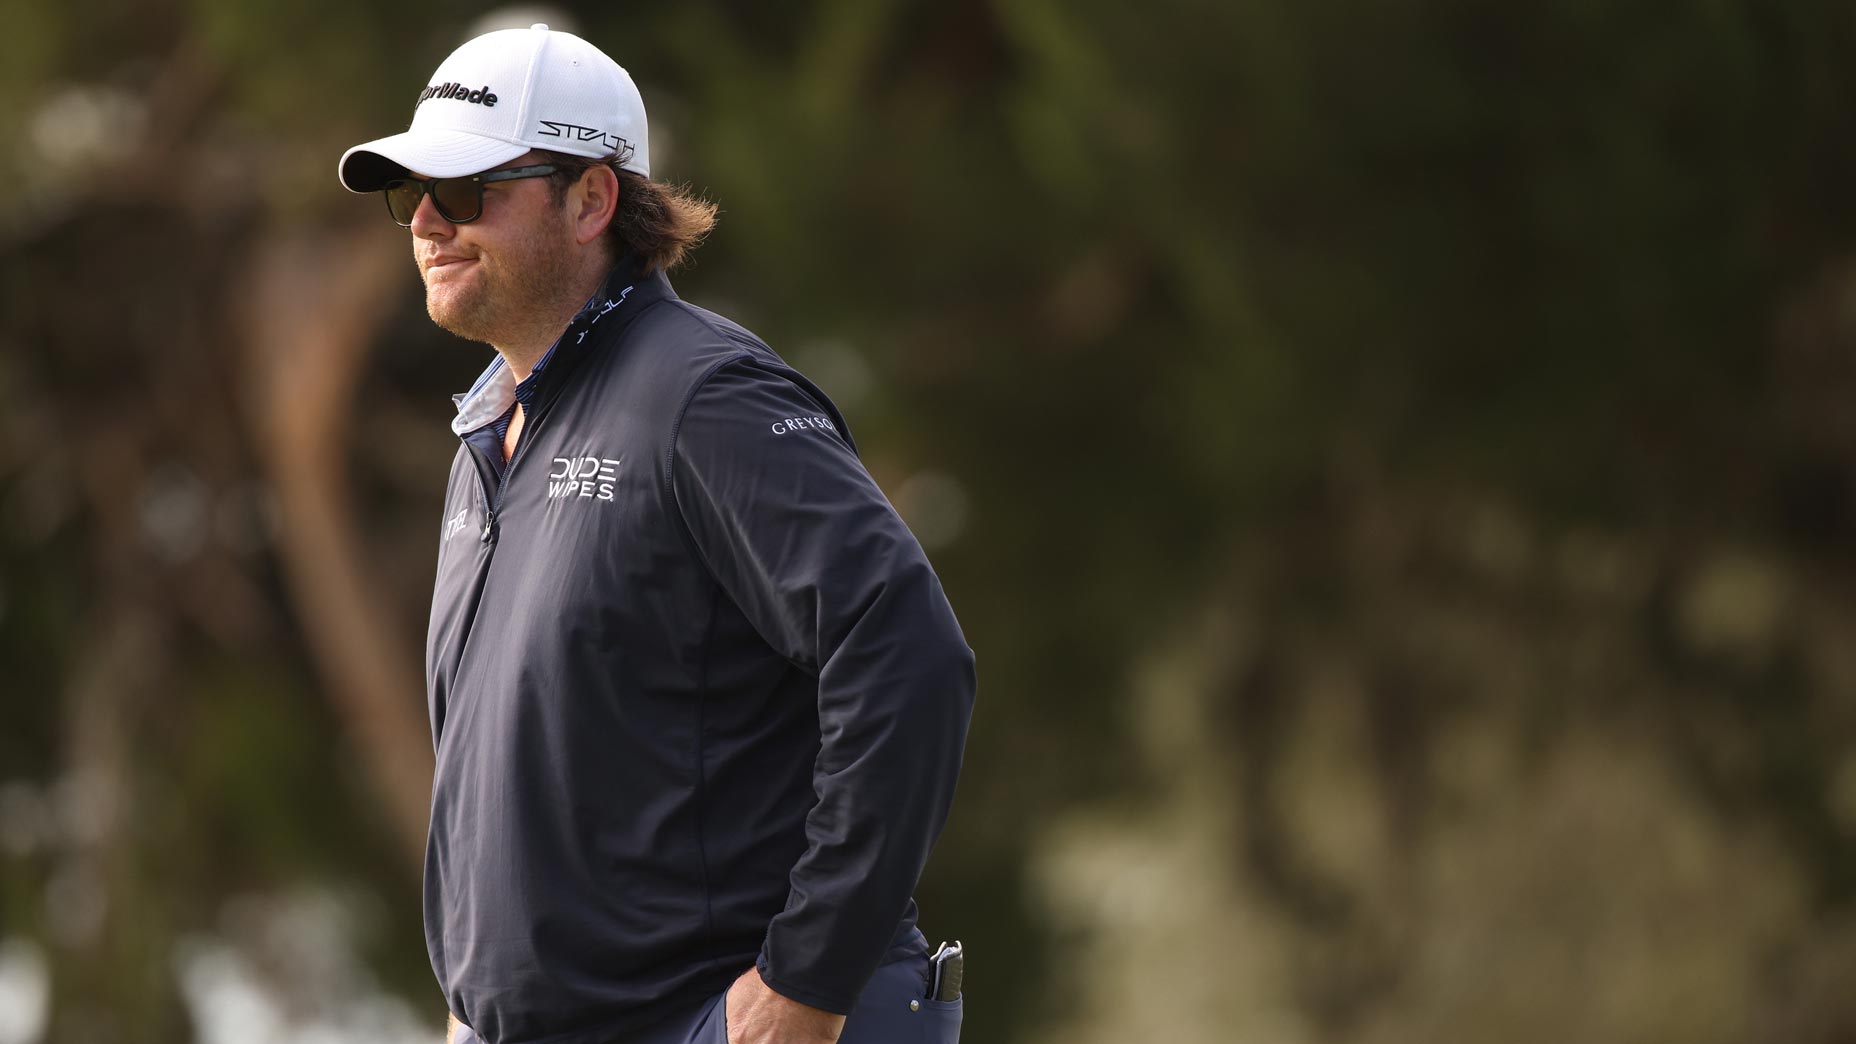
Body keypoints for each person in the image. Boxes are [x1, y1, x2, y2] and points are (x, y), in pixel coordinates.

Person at [336, 23, 976, 1044]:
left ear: (590, 199)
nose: (426, 222)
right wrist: (475, 1005)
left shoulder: (704, 397)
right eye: (412, 193)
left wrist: (804, 980)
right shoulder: (487, 438)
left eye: (466, 194)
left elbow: (908, 660)